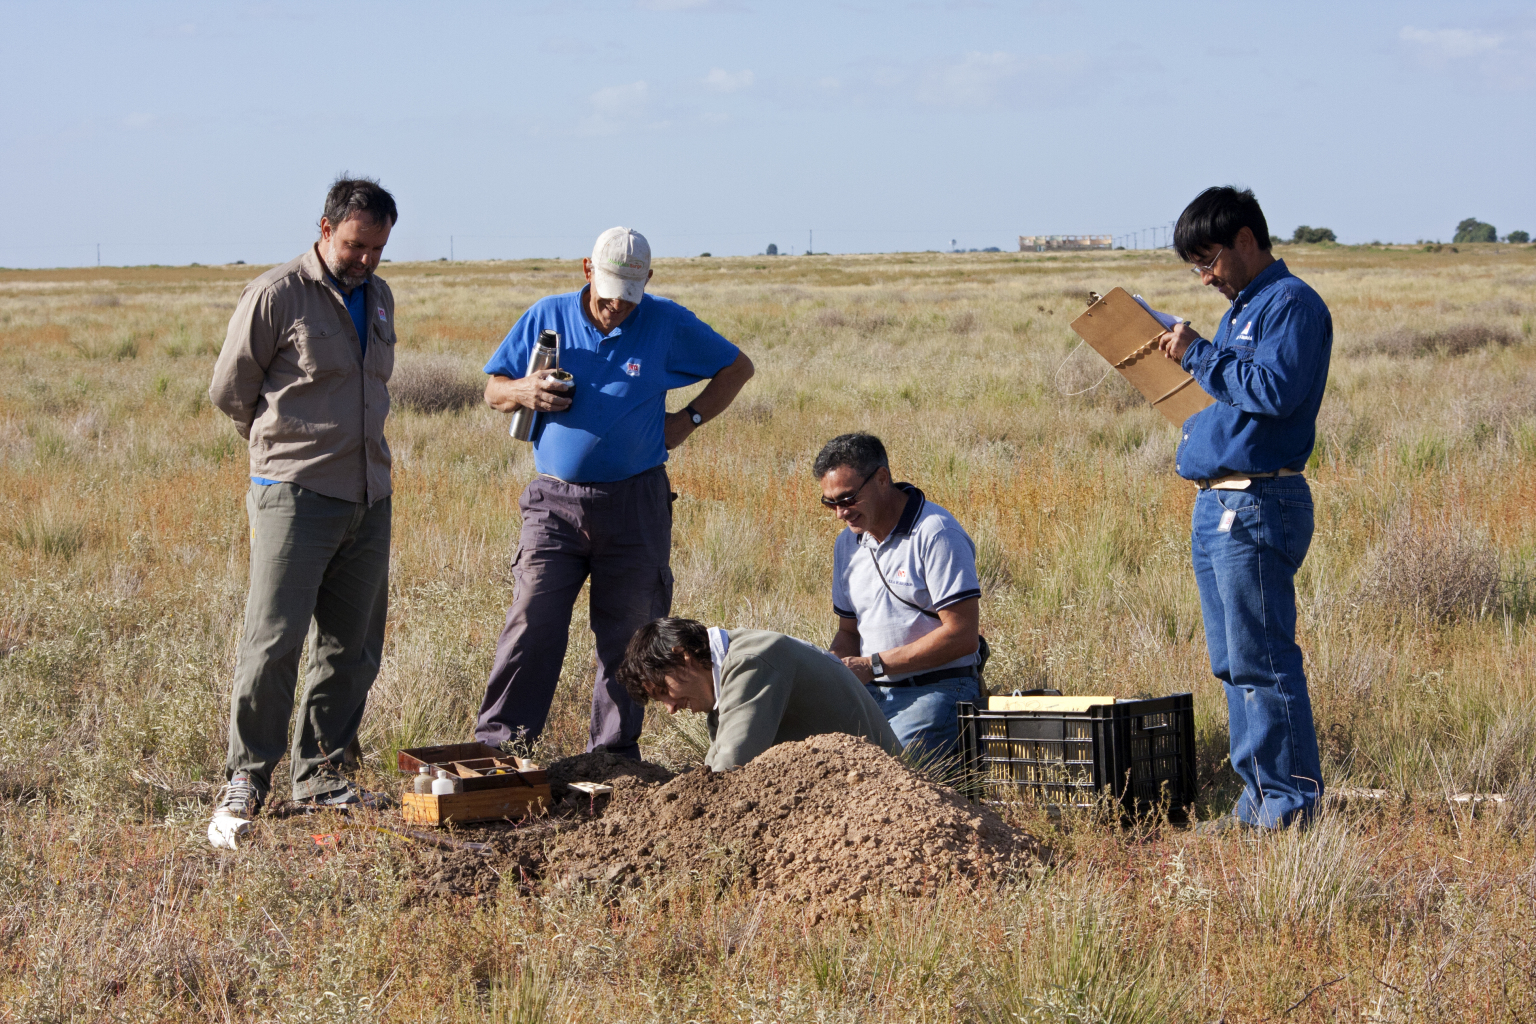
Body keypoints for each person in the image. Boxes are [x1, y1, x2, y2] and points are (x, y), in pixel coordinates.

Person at [476, 227, 754, 759]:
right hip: (553, 505)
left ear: (647, 281)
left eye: (628, 298)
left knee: (629, 637)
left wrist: (689, 419)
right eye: (606, 298)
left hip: (636, 504)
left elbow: (737, 368)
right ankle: (500, 752)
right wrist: (522, 390)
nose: (615, 309)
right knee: (531, 622)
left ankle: (612, 759)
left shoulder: (668, 322)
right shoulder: (546, 315)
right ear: (587, 270)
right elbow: (493, 388)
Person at [205, 175, 400, 846]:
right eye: (354, 245)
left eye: (377, 247)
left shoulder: (379, 299)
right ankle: (246, 778)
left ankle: (323, 778)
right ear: (325, 230)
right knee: (274, 640)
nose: (366, 259)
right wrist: (281, 456)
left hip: (369, 496)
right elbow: (232, 391)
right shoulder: (275, 294)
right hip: (294, 493)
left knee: (353, 648)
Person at [1158, 186, 1331, 830]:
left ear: (1247, 241)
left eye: (1209, 262)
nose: (1204, 278)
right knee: (1233, 662)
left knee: (1262, 658)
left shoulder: (1291, 304)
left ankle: (1287, 809)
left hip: (1259, 501)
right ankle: (1258, 801)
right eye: (1194, 268)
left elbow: (1275, 391)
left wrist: (1199, 354)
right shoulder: (1242, 309)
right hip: (1219, 503)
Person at [815, 433, 982, 759]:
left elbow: (963, 637)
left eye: (847, 499)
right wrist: (832, 671)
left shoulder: (936, 533)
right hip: (871, 691)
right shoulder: (846, 545)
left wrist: (873, 666)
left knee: (889, 769)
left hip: (940, 689)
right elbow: (849, 632)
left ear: (881, 479)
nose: (840, 513)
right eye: (830, 503)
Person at [617, 617, 901, 771]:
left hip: (883, 786)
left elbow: (729, 769)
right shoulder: (726, 670)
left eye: (664, 691)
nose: (670, 708)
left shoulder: (751, 662)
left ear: (684, 657)